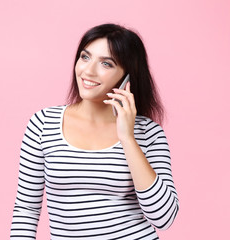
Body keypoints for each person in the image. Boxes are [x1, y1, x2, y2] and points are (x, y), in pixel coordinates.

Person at [10, 23, 179, 239]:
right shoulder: (43, 124)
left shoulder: (149, 134)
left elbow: (164, 217)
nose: (88, 71)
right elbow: (26, 210)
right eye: (85, 57)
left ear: (128, 76)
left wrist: (127, 137)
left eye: (106, 64)